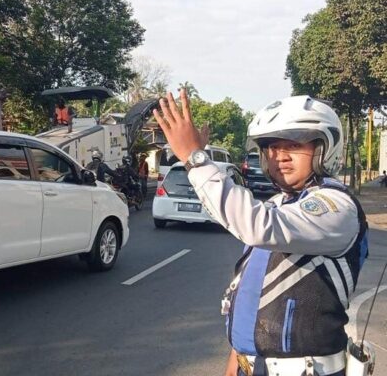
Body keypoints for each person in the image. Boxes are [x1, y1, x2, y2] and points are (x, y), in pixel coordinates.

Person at [152, 91, 368, 376]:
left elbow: (257, 225)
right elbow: (253, 288)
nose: (280, 156)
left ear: (324, 148)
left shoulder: (336, 206)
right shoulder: (278, 204)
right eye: (271, 147)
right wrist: (237, 357)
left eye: (293, 144)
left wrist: (195, 158)